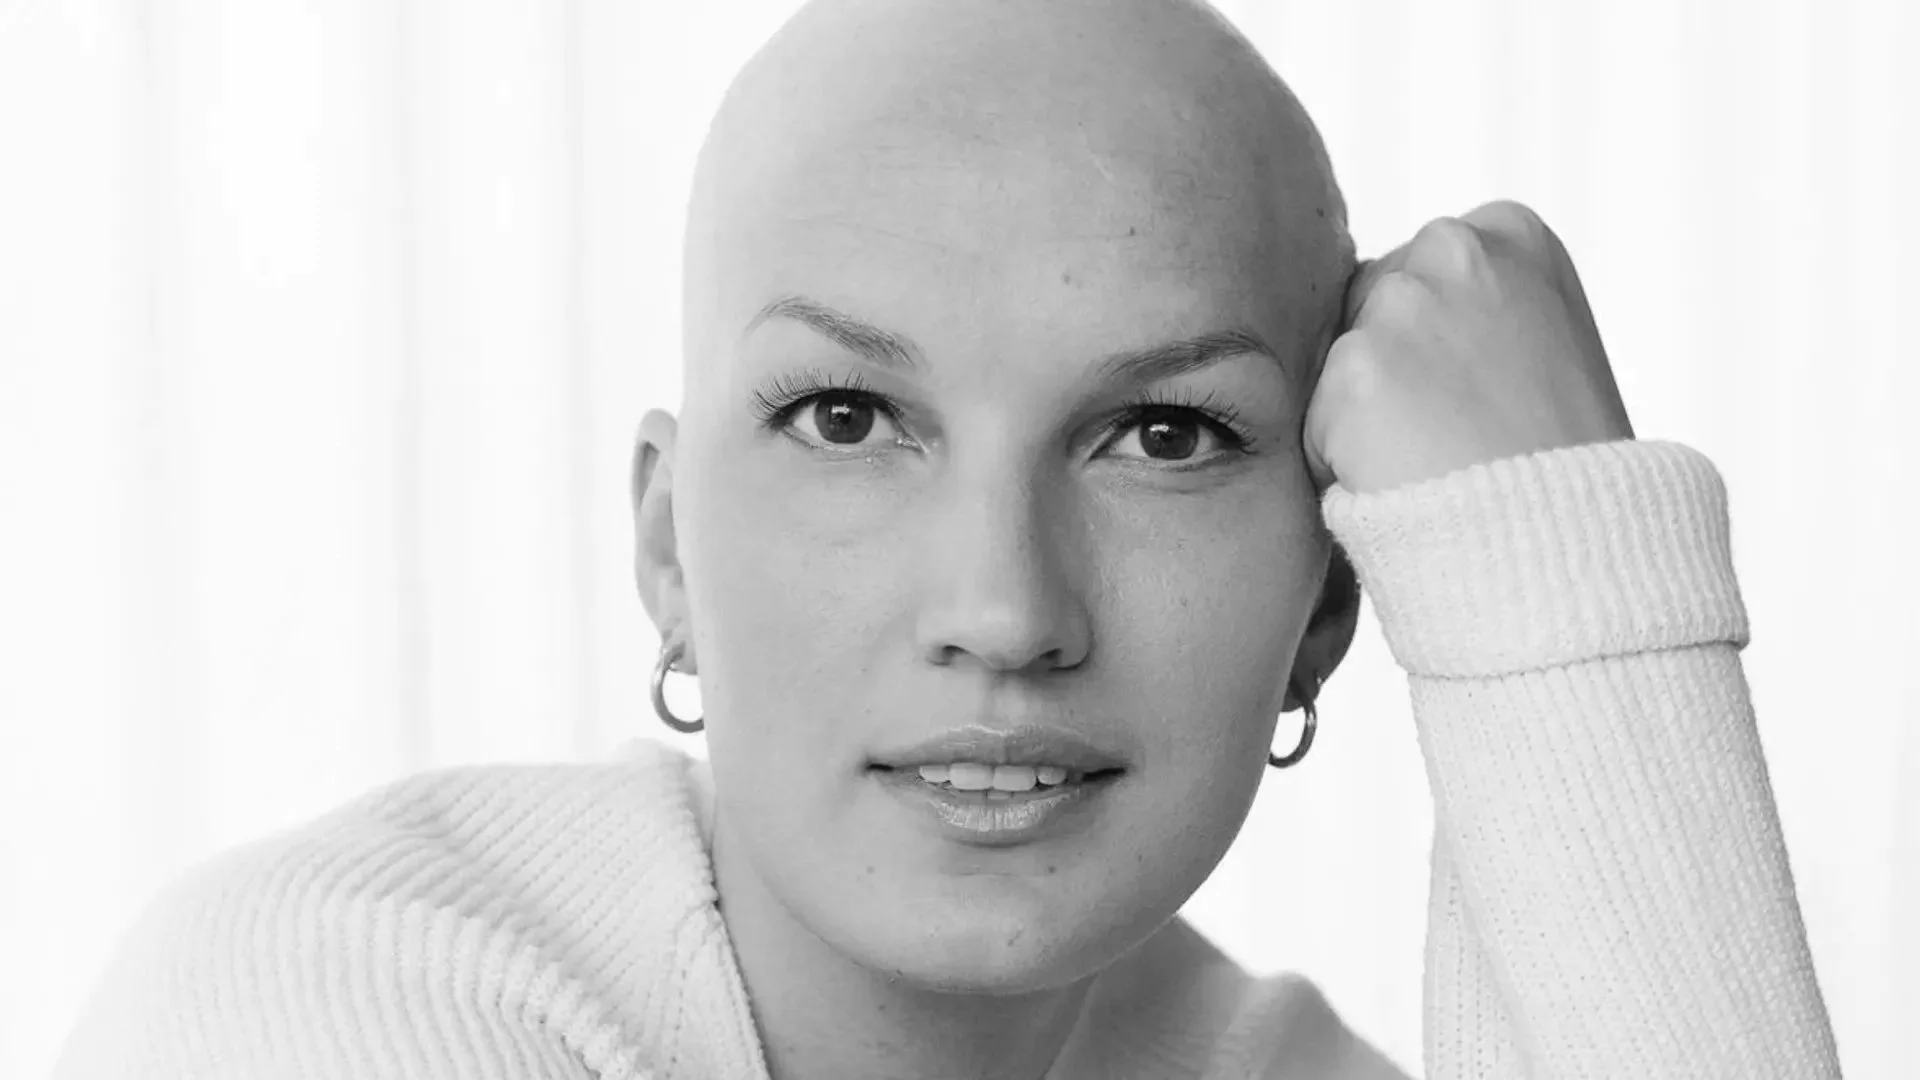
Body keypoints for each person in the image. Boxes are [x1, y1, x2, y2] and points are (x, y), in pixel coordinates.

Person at [54, 0, 1843, 1077]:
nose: (1004, 608)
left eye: (1163, 434)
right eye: (849, 418)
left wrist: (1561, 598)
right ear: (670, 549)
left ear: (1329, 608)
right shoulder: (324, 998)